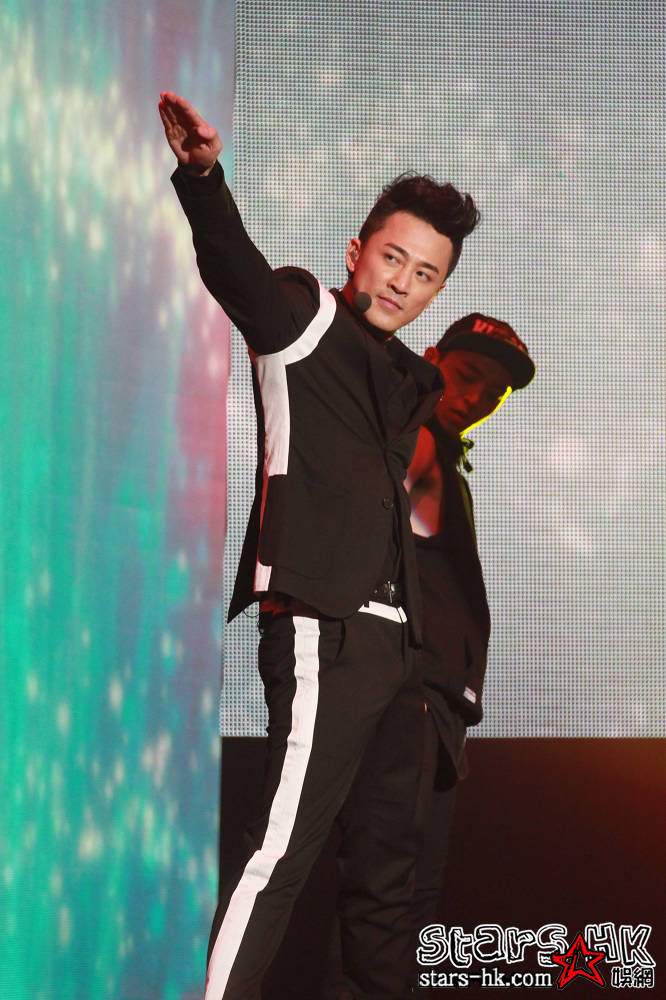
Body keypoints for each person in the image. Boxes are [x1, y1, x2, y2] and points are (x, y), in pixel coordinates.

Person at [158, 90, 479, 1000]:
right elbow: (236, 272)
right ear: (356, 252)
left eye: (425, 274)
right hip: (322, 632)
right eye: (392, 257)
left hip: (399, 654)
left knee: (385, 882)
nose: (402, 282)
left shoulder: (411, 382)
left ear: (438, 291)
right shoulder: (303, 323)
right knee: (279, 855)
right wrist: (203, 179)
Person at [406, 313, 535, 989]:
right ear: (432, 359)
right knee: (390, 899)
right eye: (467, 376)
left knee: (411, 905)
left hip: (439, 712)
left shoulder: (444, 452)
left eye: (494, 393)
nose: (477, 398)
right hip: (411, 704)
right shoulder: (416, 440)